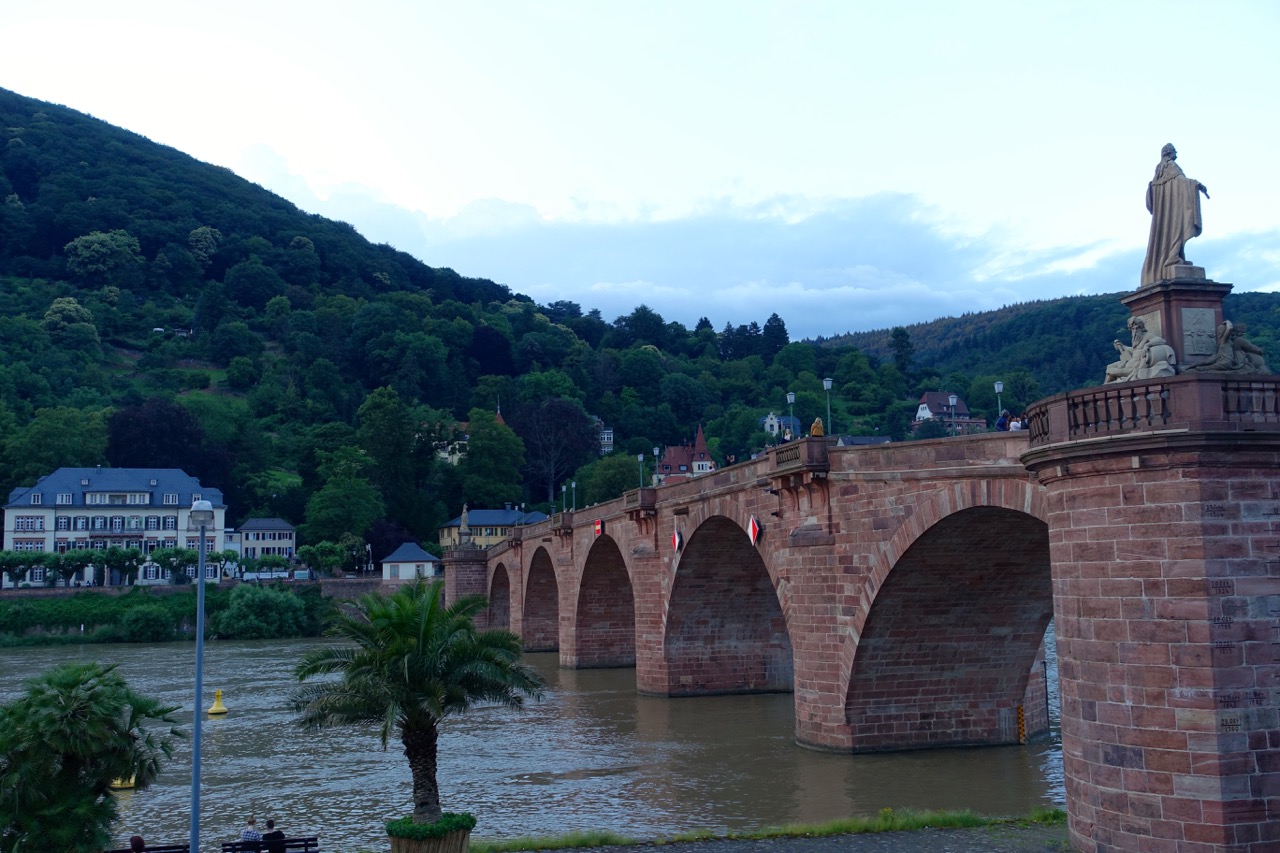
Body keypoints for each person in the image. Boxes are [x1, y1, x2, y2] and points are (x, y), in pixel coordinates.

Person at [1141, 143, 1210, 286]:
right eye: (1174, 151)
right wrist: (1197, 184)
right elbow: (1181, 182)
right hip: (1174, 210)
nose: (1176, 154)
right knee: (1177, 228)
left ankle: (1174, 256)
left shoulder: (1159, 169)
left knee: (1170, 231)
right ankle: (1172, 257)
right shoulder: (1171, 166)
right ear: (1168, 153)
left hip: (1165, 214)